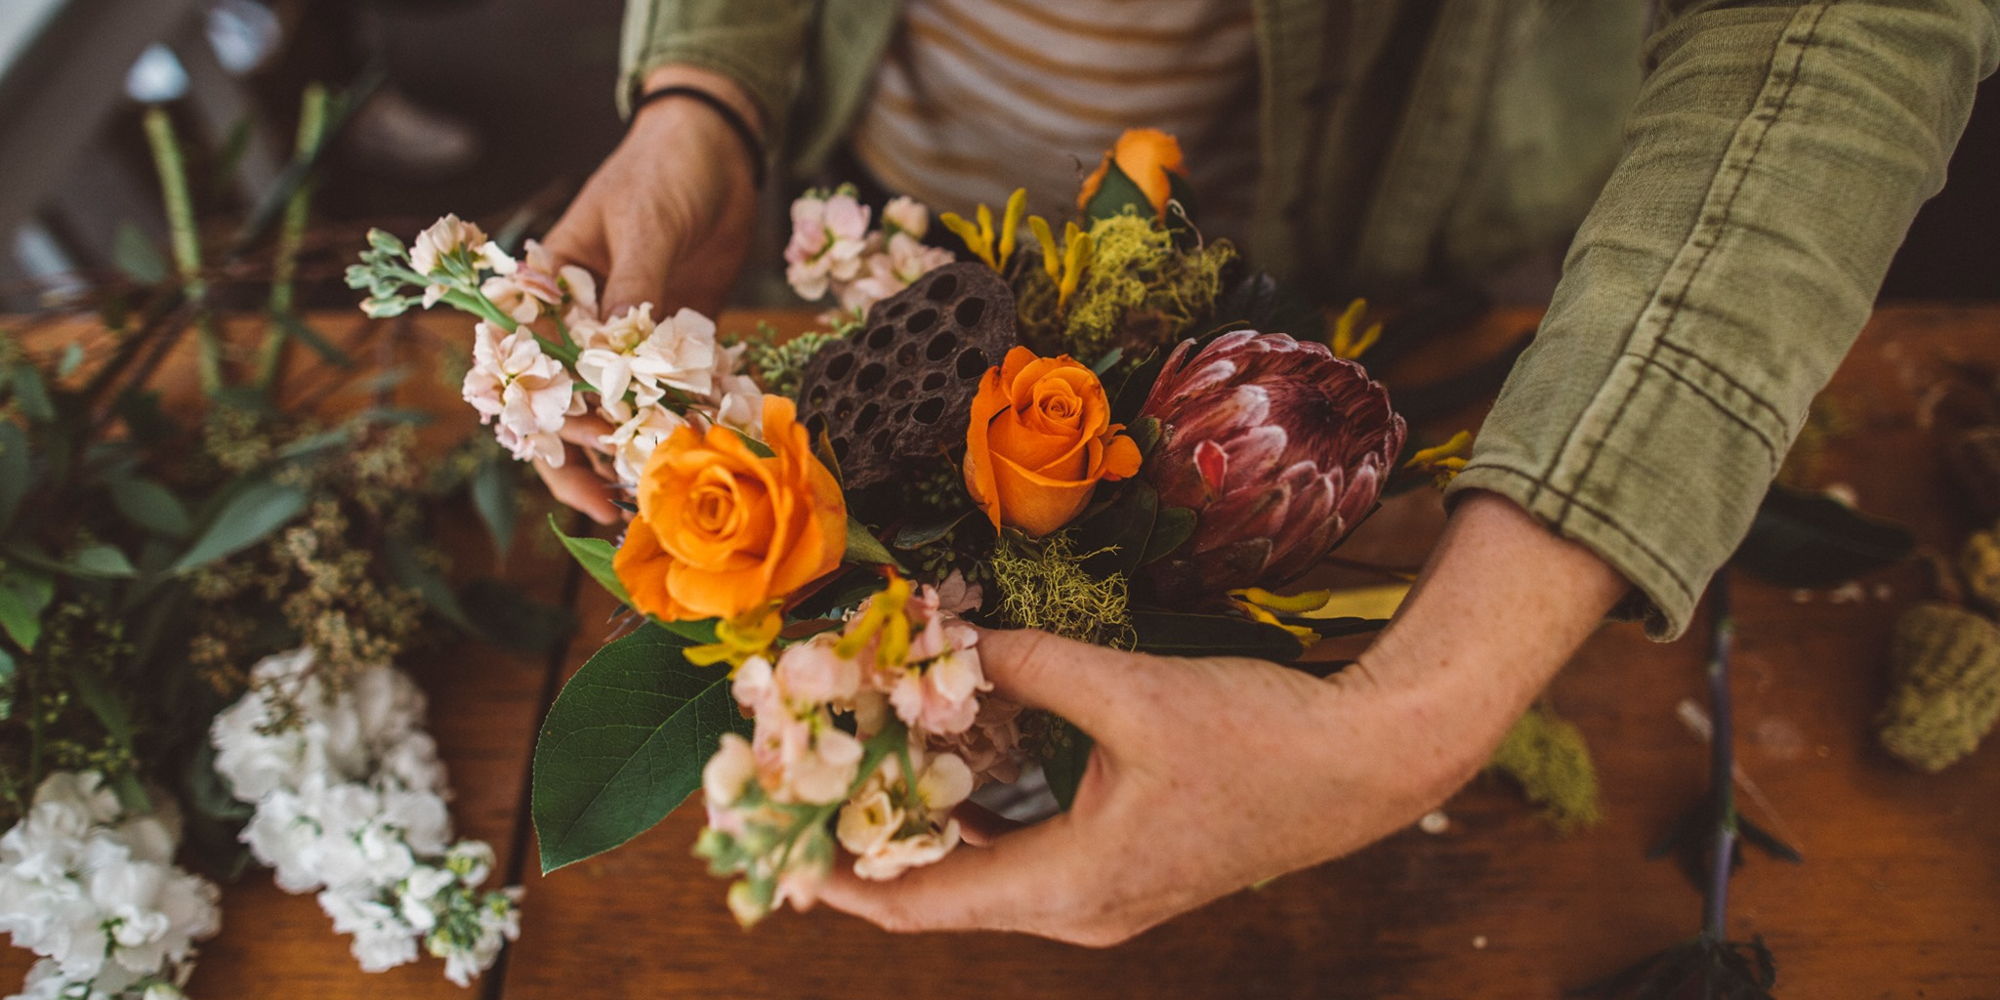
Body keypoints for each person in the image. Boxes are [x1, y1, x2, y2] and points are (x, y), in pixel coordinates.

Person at [538, 0, 2000, 945]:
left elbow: (1836, 27)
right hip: (894, 179)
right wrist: (708, 95)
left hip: (1426, 204)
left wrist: (1423, 710)